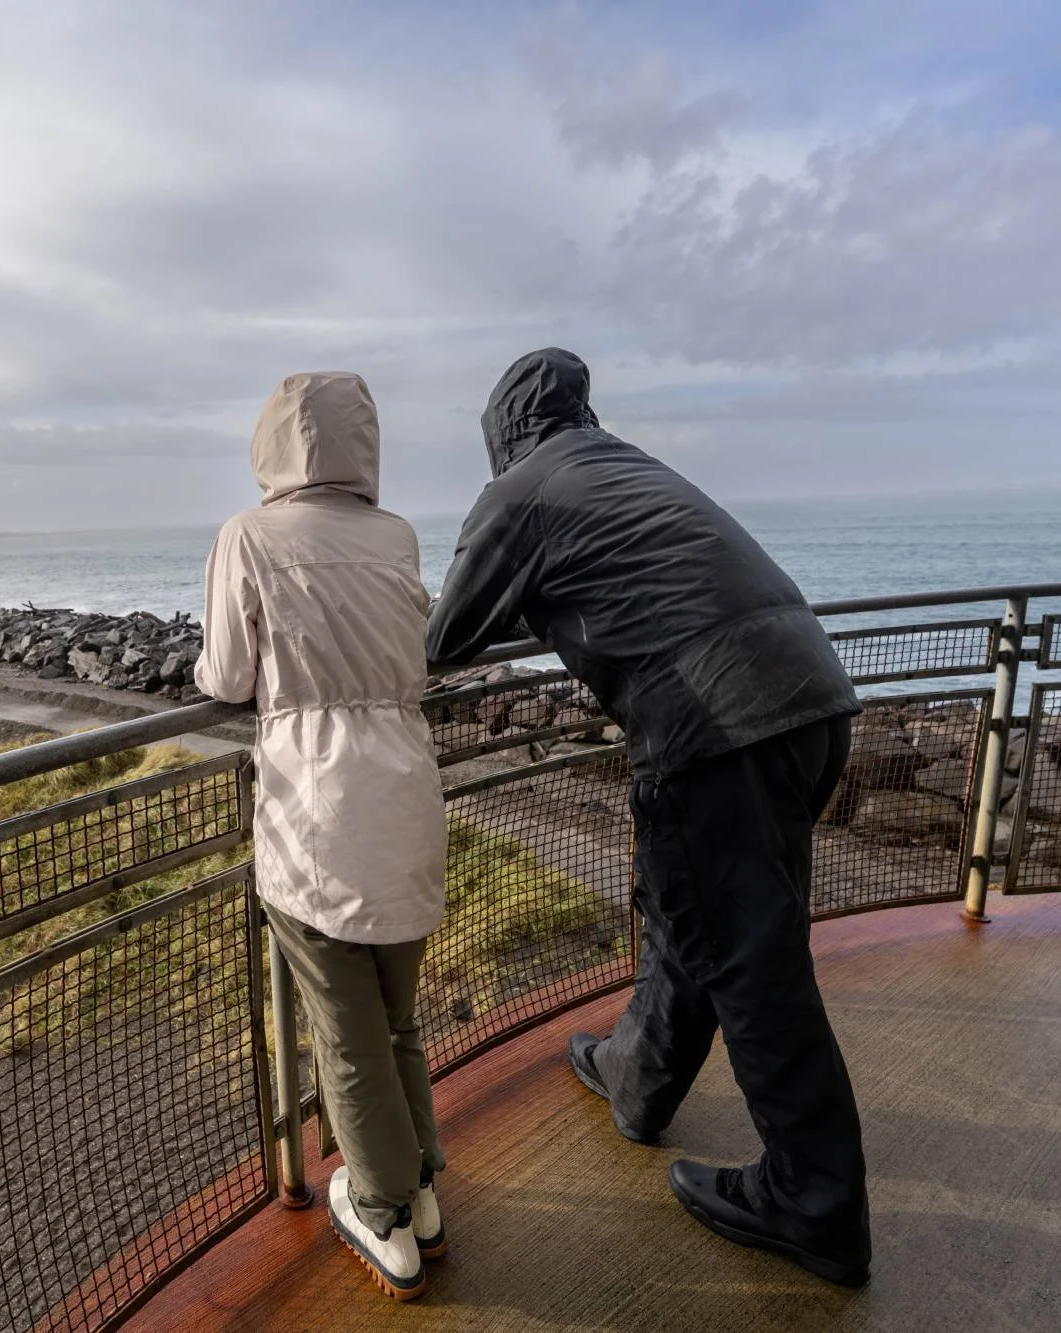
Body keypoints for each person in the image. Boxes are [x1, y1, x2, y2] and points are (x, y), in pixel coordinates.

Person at [425, 347, 871, 1286]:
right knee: (693, 913)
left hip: (718, 723)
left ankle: (814, 1199)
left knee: (752, 961)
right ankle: (638, 1074)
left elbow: (444, 637)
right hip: (810, 697)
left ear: (501, 432)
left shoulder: (521, 492)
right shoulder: (621, 463)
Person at [195, 371, 449, 1302]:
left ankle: (382, 1211)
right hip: (407, 797)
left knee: (345, 1032)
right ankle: (421, 1190)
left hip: (317, 815)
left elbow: (227, 676)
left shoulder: (249, 536)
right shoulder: (397, 535)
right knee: (395, 1017)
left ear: (271, 445)